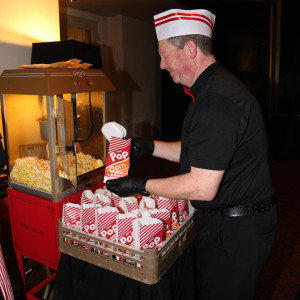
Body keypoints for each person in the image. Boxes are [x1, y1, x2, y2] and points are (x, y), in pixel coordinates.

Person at [106, 8, 278, 300]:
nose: (161, 65)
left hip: (235, 232)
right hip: (235, 224)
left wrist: (140, 186)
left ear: (190, 49)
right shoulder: (213, 88)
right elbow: (206, 153)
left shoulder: (217, 100)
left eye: (164, 55)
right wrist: (149, 146)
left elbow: (202, 185)